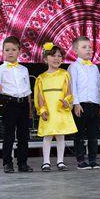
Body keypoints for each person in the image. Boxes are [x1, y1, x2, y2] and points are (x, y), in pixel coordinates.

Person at [0, 36, 33, 173]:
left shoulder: (24, 69)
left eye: (14, 50)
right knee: (8, 134)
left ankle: (22, 163)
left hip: (23, 104)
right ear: (3, 51)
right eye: (7, 50)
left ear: (19, 51)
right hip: (9, 104)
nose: (10, 52)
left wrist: (30, 109)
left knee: (23, 135)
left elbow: (28, 90)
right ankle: (7, 163)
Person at [34, 43, 77, 171]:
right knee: (47, 136)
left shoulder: (64, 74)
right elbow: (39, 96)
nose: (56, 58)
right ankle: (46, 162)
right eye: (53, 56)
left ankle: (60, 161)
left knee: (60, 136)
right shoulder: (41, 78)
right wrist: (42, 110)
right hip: (49, 110)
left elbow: (69, 92)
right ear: (45, 59)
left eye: (59, 56)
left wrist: (67, 101)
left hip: (60, 110)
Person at [68, 36, 100, 170]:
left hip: (94, 103)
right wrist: (76, 103)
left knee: (93, 134)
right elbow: (72, 86)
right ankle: (81, 160)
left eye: (90, 47)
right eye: (84, 47)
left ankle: (93, 159)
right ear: (75, 51)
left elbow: (99, 86)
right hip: (81, 104)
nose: (88, 49)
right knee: (80, 134)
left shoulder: (94, 67)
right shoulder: (74, 67)